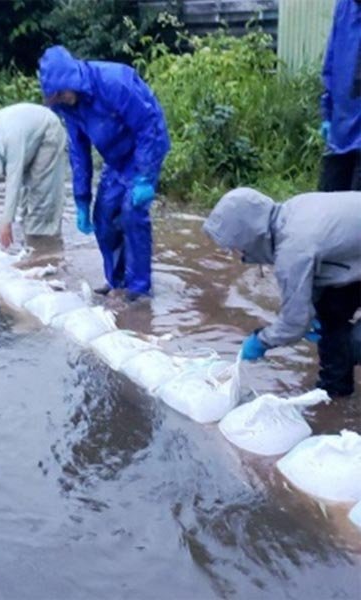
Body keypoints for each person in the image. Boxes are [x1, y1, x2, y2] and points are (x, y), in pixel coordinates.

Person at [38, 45, 170, 300]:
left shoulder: (114, 81)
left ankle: (139, 289)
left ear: (72, 82)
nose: (62, 99)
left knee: (132, 213)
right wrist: (81, 200)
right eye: (57, 97)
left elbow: (148, 126)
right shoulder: (69, 108)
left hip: (144, 151)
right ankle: (117, 282)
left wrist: (144, 176)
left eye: (63, 94)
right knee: (103, 218)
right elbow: (79, 152)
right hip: (116, 159)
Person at [203, 187, 361, 397]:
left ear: (249, 236)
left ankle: (336, 399)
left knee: (351, 345)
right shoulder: (292, 209)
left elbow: (294, 323)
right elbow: (316, 271)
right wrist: (310, 309)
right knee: (329, 311)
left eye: (235, 247)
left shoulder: (292, 250)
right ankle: (334, 395)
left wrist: (261, 341)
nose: (235, 253)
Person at [0, 103, 66, 248]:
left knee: (40, 190)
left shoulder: (10, 139)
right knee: (25, 198)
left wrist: (6, 222)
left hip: (47, 131)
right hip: (27, 135)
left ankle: (45, 244)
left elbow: (13, 181)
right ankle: (31, 237)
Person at [318, 0, 361, 191]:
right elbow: (331, 62)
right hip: (340, 133)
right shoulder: (345, 6)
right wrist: (327, 113)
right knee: (324, 207)